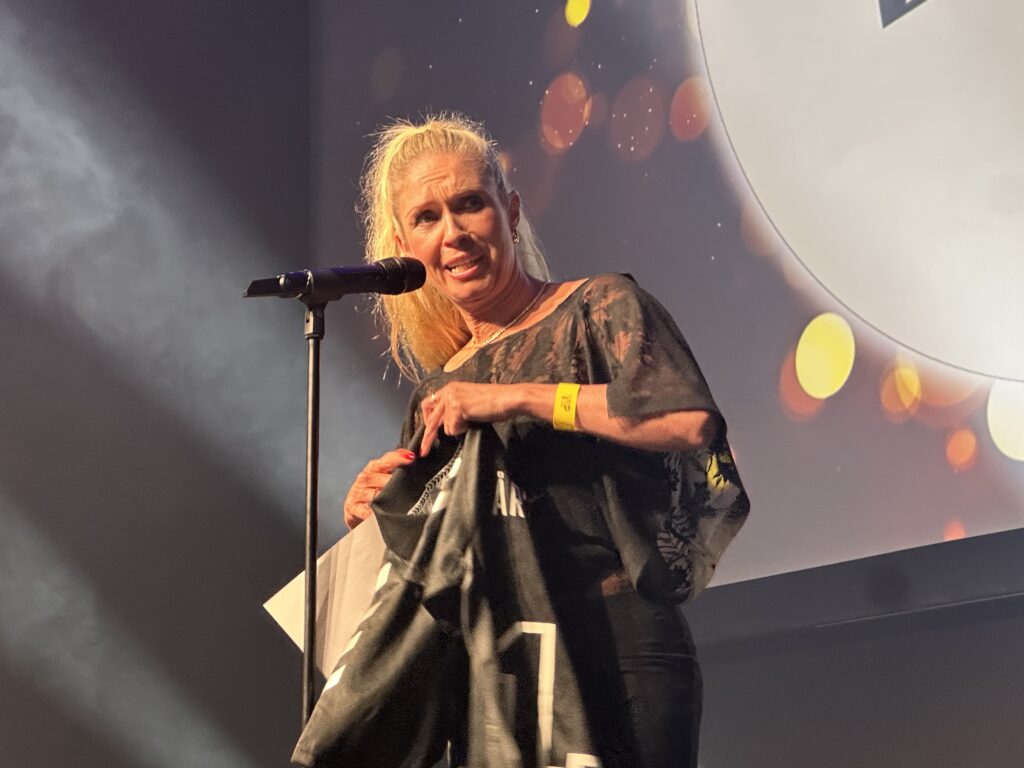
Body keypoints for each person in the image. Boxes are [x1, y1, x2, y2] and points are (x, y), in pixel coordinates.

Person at [327, 114, 748, 768]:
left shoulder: (598, 306)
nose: (453, 232)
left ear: (512, 212)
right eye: (428, 218)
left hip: (617, 649)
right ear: (407, 245)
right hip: (504, 677)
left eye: (470, 203)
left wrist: (519, 396)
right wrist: (379, 515)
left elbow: (685, 418)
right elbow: (446, 564)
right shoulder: (437, 393)